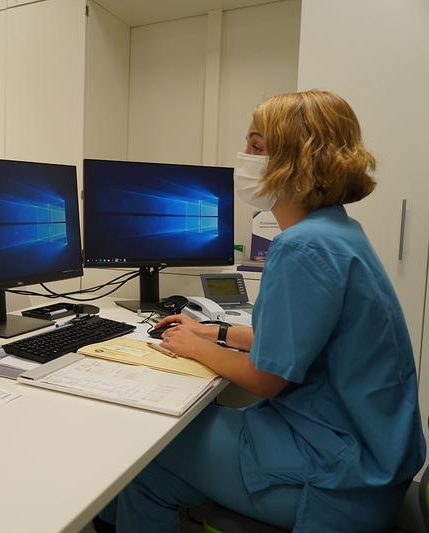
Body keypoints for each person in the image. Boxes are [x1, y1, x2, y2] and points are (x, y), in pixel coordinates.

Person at [97, 90, 426, 532]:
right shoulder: (338, 230)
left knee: (144, 440)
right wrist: (212, 333)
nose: (244, 157)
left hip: (340, 476)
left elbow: (267, 380)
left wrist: (190, 348)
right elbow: (306, 338)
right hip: (374, 456)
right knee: (149, 478)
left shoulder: (302, 245)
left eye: (256, 146)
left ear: (295, 158)